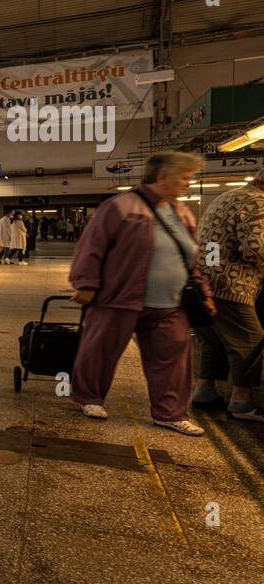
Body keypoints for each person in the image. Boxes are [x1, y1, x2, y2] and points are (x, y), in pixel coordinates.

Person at [68, 151, 213, 436]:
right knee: (100, 350)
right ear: (162, 177)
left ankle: (170, 412)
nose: (188, 183)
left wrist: (203, 290)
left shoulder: (181, 212)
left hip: (170, 304)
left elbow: (190, 257)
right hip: (119, 298)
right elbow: (91, 247)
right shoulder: (120, 207)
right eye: (184, 177)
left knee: (173, 359)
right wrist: (86, 284)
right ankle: (90, 397)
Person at [192, 176, 264, 421]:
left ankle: (204, 391)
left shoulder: (228, 196)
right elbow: (256, 249)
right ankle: (241, 402)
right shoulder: (258, 202)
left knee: (212, 338)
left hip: (203, 282)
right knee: (250, 340)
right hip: (230, 284)